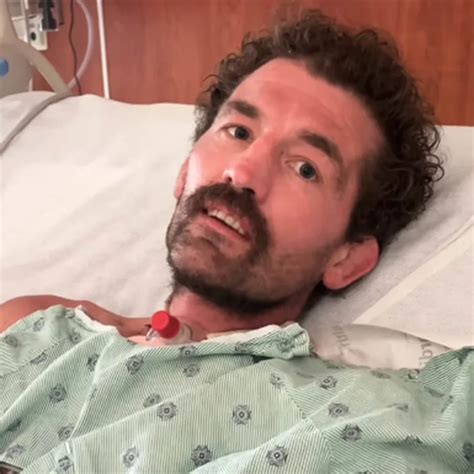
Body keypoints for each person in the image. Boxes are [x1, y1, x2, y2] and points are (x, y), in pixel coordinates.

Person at [1, 10, 472, 473]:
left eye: (305, 168)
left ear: (346, 259)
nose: (242, 171)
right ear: (184, 172)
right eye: (239, 132)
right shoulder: (39, 332)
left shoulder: (357, 419)